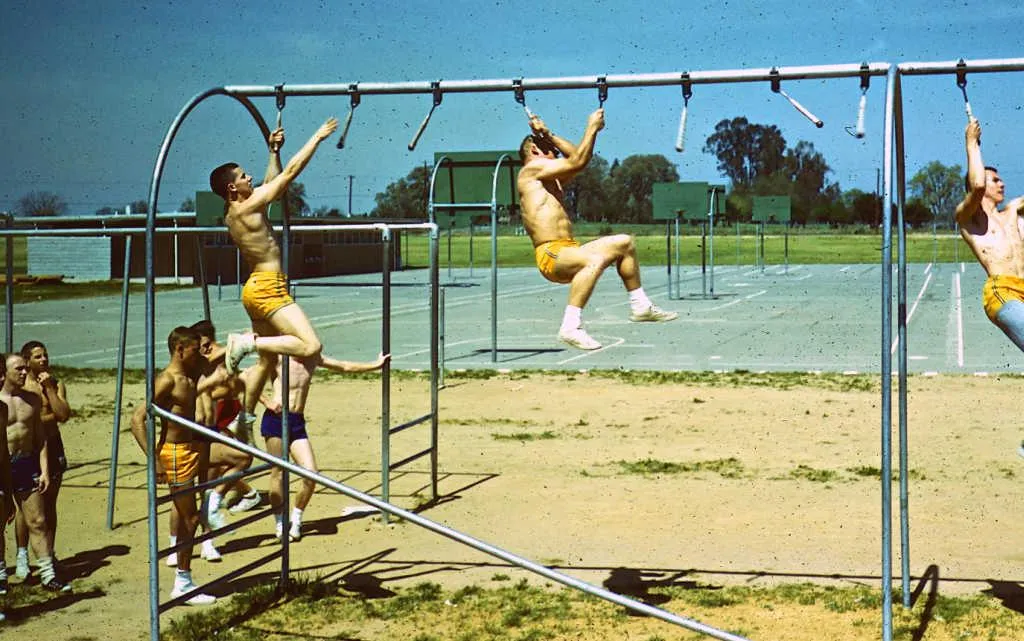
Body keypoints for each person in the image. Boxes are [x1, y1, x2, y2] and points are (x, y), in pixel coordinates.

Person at [208, 117, 341, 421]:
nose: (249, 176)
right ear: (232, 186)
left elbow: (271, 187)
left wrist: (273, 152)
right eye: (243, 175)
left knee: (267, 363)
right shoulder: (248, 206)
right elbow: (289, 175)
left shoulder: (235, 211)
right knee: (310, 345)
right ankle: (246, 342)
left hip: (255, 288)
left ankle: (245, 417)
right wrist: (317, 137)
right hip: (268, 288)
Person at [516, 108, 677, 350]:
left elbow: (579, 160)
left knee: (625, 242)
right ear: (535, 151)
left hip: (567, 249)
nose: (557, 153)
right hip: (551, 254)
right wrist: (591, 126)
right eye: (551, 149)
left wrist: (549, 134)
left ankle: (640, 305)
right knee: (592, 260)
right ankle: (571, 326)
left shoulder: (551, 180)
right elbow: (577, 159)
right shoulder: (531, 171)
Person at [260, 351, 388, 542]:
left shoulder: (313, 359)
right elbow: (246, 381)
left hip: (296, 421)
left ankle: (296, 520)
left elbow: (344, 366)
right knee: (278, 472)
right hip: (275, 420)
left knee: (311, 474)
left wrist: (375, 364)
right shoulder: (279, 357)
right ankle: (280, 523)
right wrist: (266, 401)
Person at [954, 118, 1024, 459]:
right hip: (1002, 293)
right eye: (997, 179)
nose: (1002, 184)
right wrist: (972, 143)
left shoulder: (1012, 214)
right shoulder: (969, 217)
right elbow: (978, 185)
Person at [129, 327, 215, 605]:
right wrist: (154, 460)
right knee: (189, 517)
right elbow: (137, 419)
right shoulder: (167, 380)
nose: (198, 354)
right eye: (193, 349)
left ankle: (184, 577)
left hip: (191, 448)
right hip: (175, 452)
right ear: (179, 349)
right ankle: (183, 583)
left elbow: (218, 354)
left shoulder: (191, 373)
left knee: (188, 514)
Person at [0, 353, 69, 592]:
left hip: (26, 463)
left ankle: (48, 575)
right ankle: (1, 576)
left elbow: (40, 439)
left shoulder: (32, 400)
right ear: (5, 373)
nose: (22, 372)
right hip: (2, 464)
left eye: (23, 368)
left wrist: (44, 470)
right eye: (17, 369)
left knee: (38, 520)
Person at [191, 320, 261, 536]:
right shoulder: (198, 363)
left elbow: (237, 381)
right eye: (199, 346)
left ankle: (207, 540)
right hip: (198, 430)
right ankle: (178, 545)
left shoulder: (215, 358)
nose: (204, 349)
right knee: (191, 495)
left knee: (232, 464)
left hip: (219, 421)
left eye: (206, 344)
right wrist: (245, 340)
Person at [0, 358, 14, 600]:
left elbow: (3, 450)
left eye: (2, 373)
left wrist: (8, 492)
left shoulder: (2, 408)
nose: (2, 379)